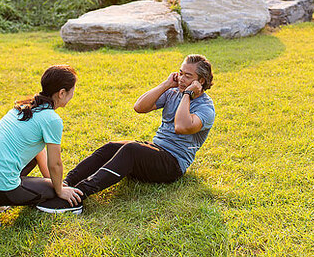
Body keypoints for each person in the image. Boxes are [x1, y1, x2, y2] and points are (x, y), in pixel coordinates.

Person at [35, 54, 215, 214]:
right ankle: (65, 185)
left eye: (188, 76)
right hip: (155, 150)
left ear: (201, 81)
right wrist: (167, 84)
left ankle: (77, 198)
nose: (182, 79)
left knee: (131, 150)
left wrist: (188, 95)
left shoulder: (206, 108)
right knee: (111, 147)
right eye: (180, 73)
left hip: (173, 164)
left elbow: (181, 127)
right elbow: (139, 107)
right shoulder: (173, 93)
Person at [0, 65, 84, 229]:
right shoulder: (51, 119)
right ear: (62, 93)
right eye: (72, 91)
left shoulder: (25, 106)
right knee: (52, 191)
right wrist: (58, 189)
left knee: (52, 183)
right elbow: (55, 163)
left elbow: (39, 152)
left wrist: (52, 181)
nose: (73, 95)